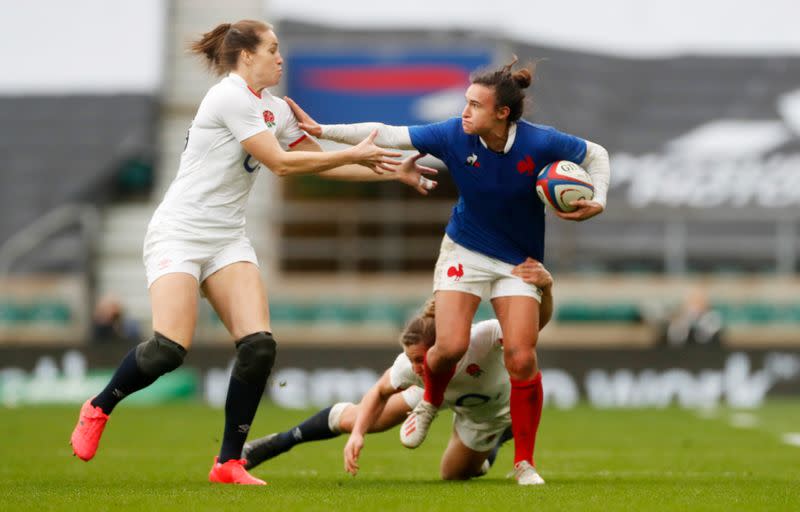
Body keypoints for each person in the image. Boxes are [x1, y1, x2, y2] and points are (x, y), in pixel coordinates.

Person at [69, 19, 436, 486]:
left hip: (226, 239)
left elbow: (315, 162)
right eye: (273, 49)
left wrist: (389, 173)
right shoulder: (228, 96)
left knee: (259, 347)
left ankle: (228, 463)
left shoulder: (277, 109)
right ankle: (99, 406)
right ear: (247, 56)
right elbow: (281, 164)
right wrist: (350, 155)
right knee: (167, 350)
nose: (280, 58)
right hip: (179, 233)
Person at [285, 57, 611, 484]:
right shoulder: (453, 134)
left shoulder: (541, 143)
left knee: (522, 357)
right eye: (465, 101)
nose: (465, 111)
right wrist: (323, 130)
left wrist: (599, 199)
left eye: (476, 104)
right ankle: (429, 404)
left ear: (502, 113)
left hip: (518, 261)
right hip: (465, 249)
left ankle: (524, 463)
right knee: (451, 345)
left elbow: (597, 155)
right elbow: (387, 133)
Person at [243, 258, 553, 484]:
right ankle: (276, 443)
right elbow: (378, 392)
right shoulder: (414, 368)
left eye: (421, 359)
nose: (417, 367)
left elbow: (533, 327)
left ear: (442, 346)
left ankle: (495, 442)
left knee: (453, 474)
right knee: (356, 418)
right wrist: (358, 435)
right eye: (412, 360)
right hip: (437, 394)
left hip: (489, 410)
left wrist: (546, 290)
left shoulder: (482, 337)